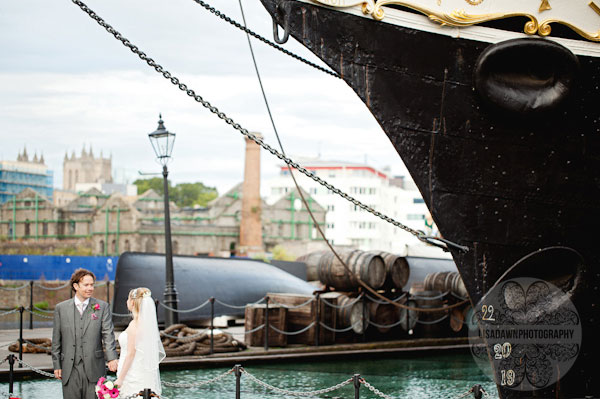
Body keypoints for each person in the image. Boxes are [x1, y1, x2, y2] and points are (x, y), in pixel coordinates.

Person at [52, 268, 118, 399]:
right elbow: (56, 339)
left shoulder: (102, 307)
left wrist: (112, 358)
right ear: (76, 286)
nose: (90, 288)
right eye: (86, 285)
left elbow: (108, 334)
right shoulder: (61, 308)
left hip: (95, 366)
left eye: (92, 285)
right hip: (69, 368)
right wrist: (56, 364)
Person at [115, 287, 165, 396]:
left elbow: (131, 353)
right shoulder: (145, 324)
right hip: (139, 369)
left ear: (132, 302)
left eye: (128, 299)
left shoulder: (134, 325)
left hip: (131, 372)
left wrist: (120, 379)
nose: (126, 302)